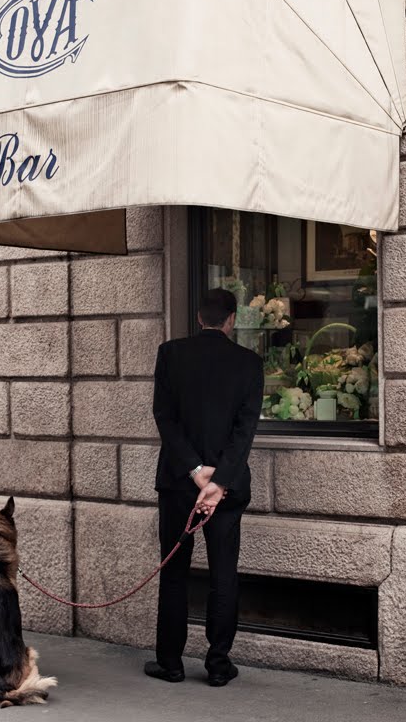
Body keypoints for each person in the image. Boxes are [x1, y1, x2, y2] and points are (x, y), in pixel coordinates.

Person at [144, 287, 264, 687]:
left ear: (199, 317)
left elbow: (165, 417)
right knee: (224, 573)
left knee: (174, 570)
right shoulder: (249, 363)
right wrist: (219, 481)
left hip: (180, 483)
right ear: (231, 320)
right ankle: (217, 664)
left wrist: (196, 471)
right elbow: (243, 431)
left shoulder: (170, 354)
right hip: (226, 491)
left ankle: (170, 662)